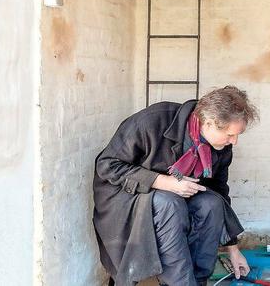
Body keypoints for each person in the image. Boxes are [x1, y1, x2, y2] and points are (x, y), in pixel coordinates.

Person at [92, 86, 259, 286]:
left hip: (176, 198)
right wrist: (163, 182)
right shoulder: (152, 121)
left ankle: (197, 281)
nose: (235, 141)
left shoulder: (221, 147)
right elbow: (107, 165)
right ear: (209, 123)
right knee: (169, 203)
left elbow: (220, 192)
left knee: (212, 203)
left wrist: (233, 249)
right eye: (230, 135)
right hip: (126, 198)